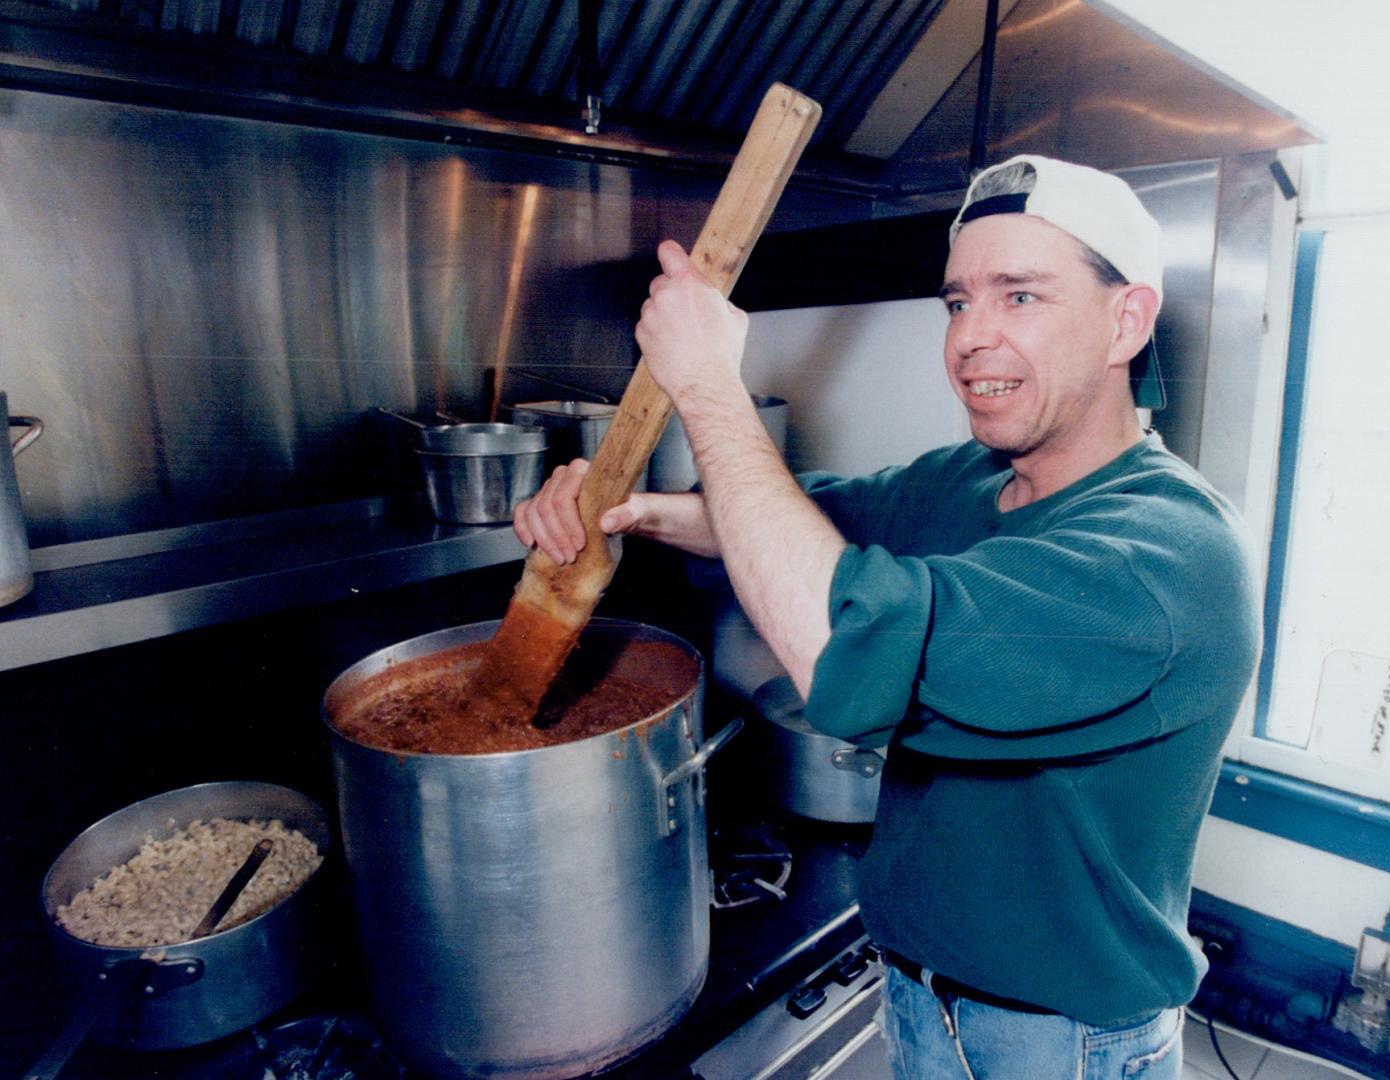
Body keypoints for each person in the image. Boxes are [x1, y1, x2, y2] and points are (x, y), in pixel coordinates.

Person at [513, 154, 1260, 1079]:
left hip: (1056, 1044)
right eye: (956, 303)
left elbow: (838, 638)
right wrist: (625, 511)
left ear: (1126, 320)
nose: (969, 339)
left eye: (1019, 296)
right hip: (918, 996)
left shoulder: (1161, 560)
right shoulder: (968, 481)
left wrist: (708, 385)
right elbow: (786, 521)